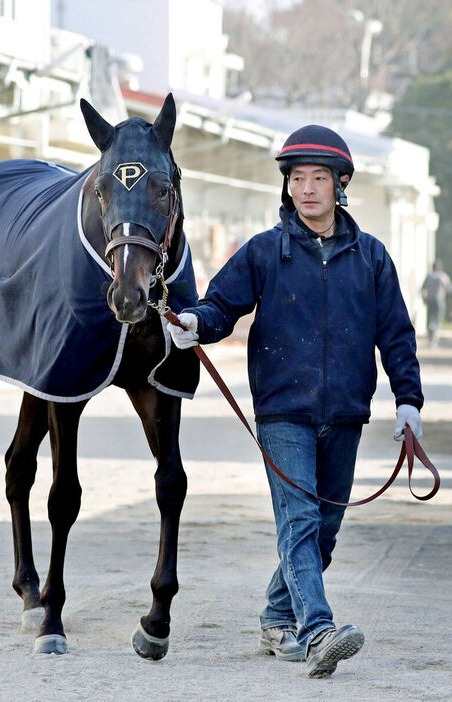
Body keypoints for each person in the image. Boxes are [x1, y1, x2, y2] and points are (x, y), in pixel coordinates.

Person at [168, 125, 424, 678]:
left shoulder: (372, 258)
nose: (306, 188)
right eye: (297, 178)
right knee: (300, 524)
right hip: (283, 412)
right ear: (287, 187)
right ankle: (317, 632)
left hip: (348, 414)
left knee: (323, 532)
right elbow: (219, 307)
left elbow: (397, 334)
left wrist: (409, 400)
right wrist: (195, 322)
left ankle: (277, 616)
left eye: (318, 178)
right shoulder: (263, 251)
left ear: (341, 185)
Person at [421, 260, 451, 346]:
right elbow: (449, 290)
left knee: (431, 318)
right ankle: (434, 337)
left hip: (430, 300)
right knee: (438, 318)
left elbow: (423, 288)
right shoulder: (443, 277)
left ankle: (431, 336)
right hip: (439, 300)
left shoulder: (429, 276)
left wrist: (424, 298)